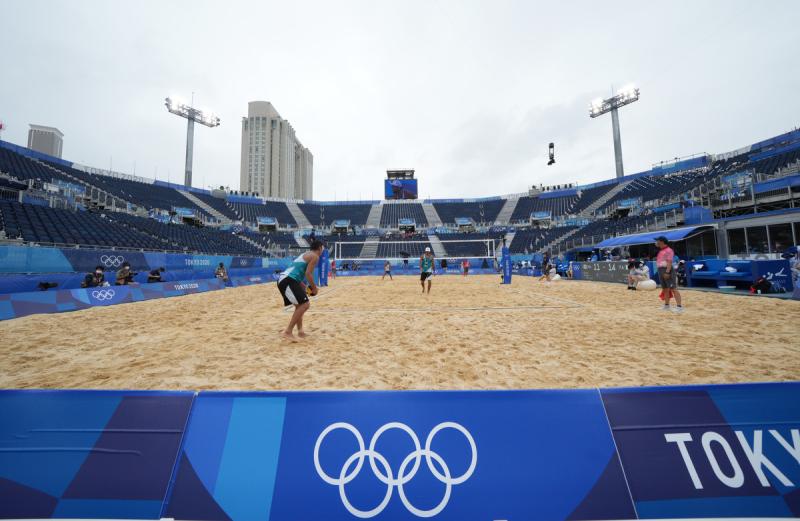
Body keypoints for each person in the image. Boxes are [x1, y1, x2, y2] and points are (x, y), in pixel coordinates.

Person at [278, 240, 323, 342]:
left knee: (300, 306)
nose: (322, 250)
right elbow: (308, 274)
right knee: (305, 305)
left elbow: (297, 274)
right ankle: (288, 332)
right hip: (287, 280)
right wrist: (314, 288)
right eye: (322, 248)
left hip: (286, 279)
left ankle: (300, 332)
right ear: (319, 248)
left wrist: (305, 288)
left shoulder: (305, 254)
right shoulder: (315, 256)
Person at [655, 236, 683, 312]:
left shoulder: (669, 250)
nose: (656, 242)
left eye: (657, 241)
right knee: (665, 289)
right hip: (660, 270)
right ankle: (667, 306)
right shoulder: (661, 250)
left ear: (662, 241)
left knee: (673, 288)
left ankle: (679, 307)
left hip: (667, 270)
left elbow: (669, 262)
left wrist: (667, 272)